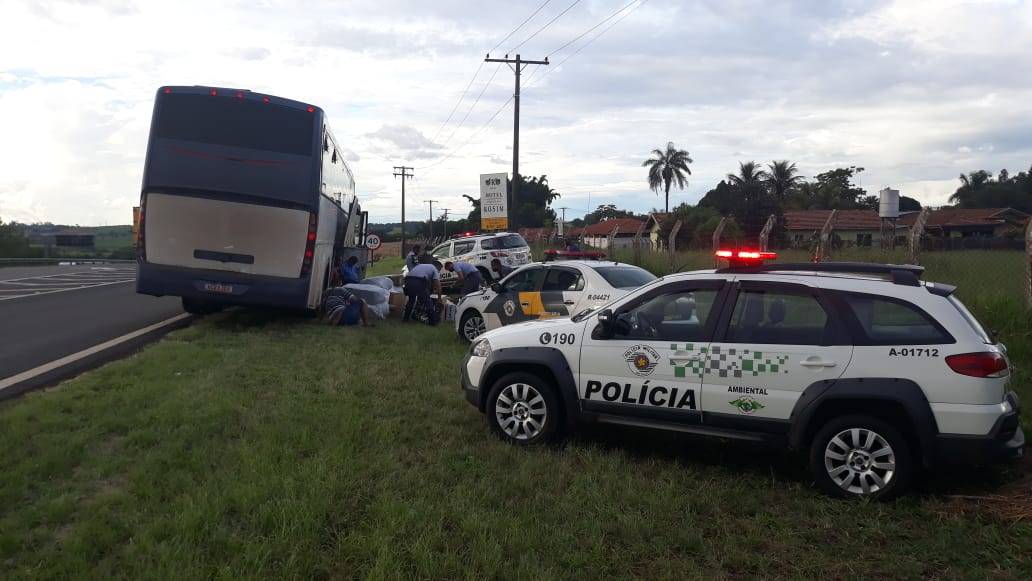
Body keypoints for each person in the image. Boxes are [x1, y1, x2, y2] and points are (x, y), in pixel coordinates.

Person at [403, 256, 442, 325]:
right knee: (428, 302)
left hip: (408, 280)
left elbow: (429, 283)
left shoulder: (422, 266)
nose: (439, 271)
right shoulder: (434, 269)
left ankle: (405, 319)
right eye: (440, 270)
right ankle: (432, 323)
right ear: (438, 267)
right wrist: (439, 298)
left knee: (411, 300)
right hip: (418, 281)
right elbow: (438, 285)